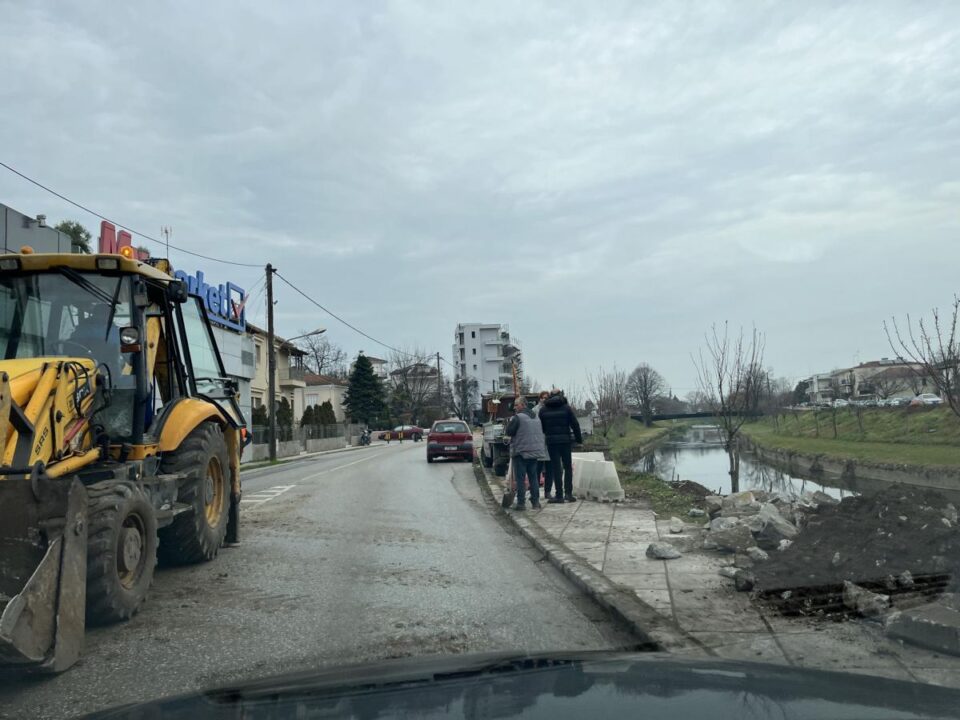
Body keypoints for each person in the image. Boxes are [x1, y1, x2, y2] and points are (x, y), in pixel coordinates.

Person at [538, 389, 582, 504]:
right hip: (565, 441)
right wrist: (579, 440)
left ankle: (559, 496)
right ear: (560, 395)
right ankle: (568, 494)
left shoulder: (543, 410)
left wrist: (548, 433)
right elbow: (575, 424)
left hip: (551, 442)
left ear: (550, 396)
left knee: (556, 468)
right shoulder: (566, 408)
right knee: (567, 467)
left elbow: (542, 428)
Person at [504, 396, 546, 511]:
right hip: (534, 452)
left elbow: (509, 431)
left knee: (520, 478)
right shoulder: (536, 417)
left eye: (516, 405)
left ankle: (521, 503)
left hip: (521, 452)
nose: (515, 407)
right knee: (533, 478)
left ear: (523, 405)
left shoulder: (517, 418)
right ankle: (536, 502)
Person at [532, 391, 553, 499]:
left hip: (549, 442)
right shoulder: (535, 410)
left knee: (550, 470)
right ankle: (534, 493)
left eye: (546, 398)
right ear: (539, 398)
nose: (544, 399)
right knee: (537, 470)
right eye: (543, 398)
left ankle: (547, 491)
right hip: (538, 442)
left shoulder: (551, 409)